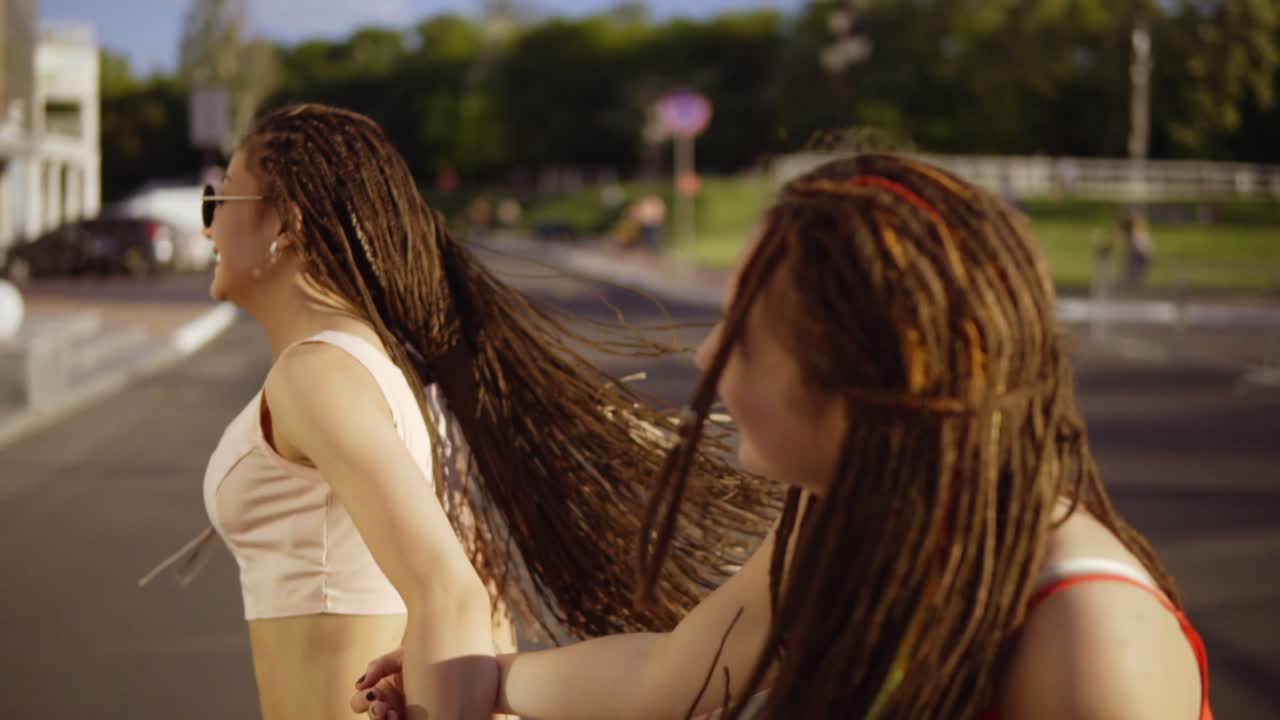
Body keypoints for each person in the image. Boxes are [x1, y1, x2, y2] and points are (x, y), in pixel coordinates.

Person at [355, 154, 1212, 720]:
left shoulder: (1092, 642)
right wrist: (495, 679)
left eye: (740, 335)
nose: (703, 354)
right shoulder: (842, 516)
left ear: (852, 381)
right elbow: (675, 678)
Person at [140, 103, 778, 720]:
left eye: (217, 201)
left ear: (287, 223)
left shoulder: (317, 374)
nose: (207, 227)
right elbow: (479, 594)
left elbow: (449, 593)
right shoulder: (390, 371)